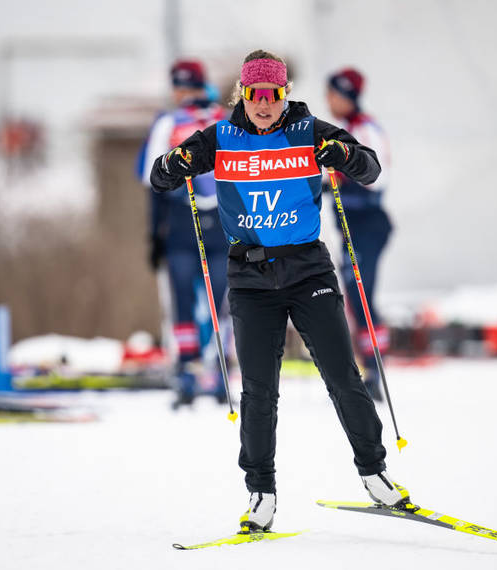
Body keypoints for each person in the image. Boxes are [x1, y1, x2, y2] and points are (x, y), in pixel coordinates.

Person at [150, 49, 410, 532]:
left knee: (342, 376)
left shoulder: (309, 132)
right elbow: (160, 176)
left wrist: (346, 155)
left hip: (308, 270)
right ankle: (261, 493)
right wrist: (174, 163)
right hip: (249, 280)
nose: (264, 104)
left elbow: (370, 169)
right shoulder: (220, 138)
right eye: (255, 95)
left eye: (272, 95)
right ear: (242, 96)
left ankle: (375, 474)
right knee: (259, 392)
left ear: (283, 94)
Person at [139, 59, 230, 408]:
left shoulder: (223, 120)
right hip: (181, 221)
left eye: (186, 87)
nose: (182, 95)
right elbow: (153, 177)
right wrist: (155, 234)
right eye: (178, 87)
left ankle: (221, 368)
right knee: (183, 298)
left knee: (222, 299)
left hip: (220, 223)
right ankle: (187, 370)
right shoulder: (168, 123)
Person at [325, 68, 393, 401]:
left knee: (361, 294)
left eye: (333, 94)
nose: (329, 101)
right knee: (355, 296)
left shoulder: (366, 128)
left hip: (367, 223)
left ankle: (375, 367)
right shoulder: (347, 129)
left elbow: (376, 179)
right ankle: (370, 364)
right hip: (350, 225)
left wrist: (338, 181)